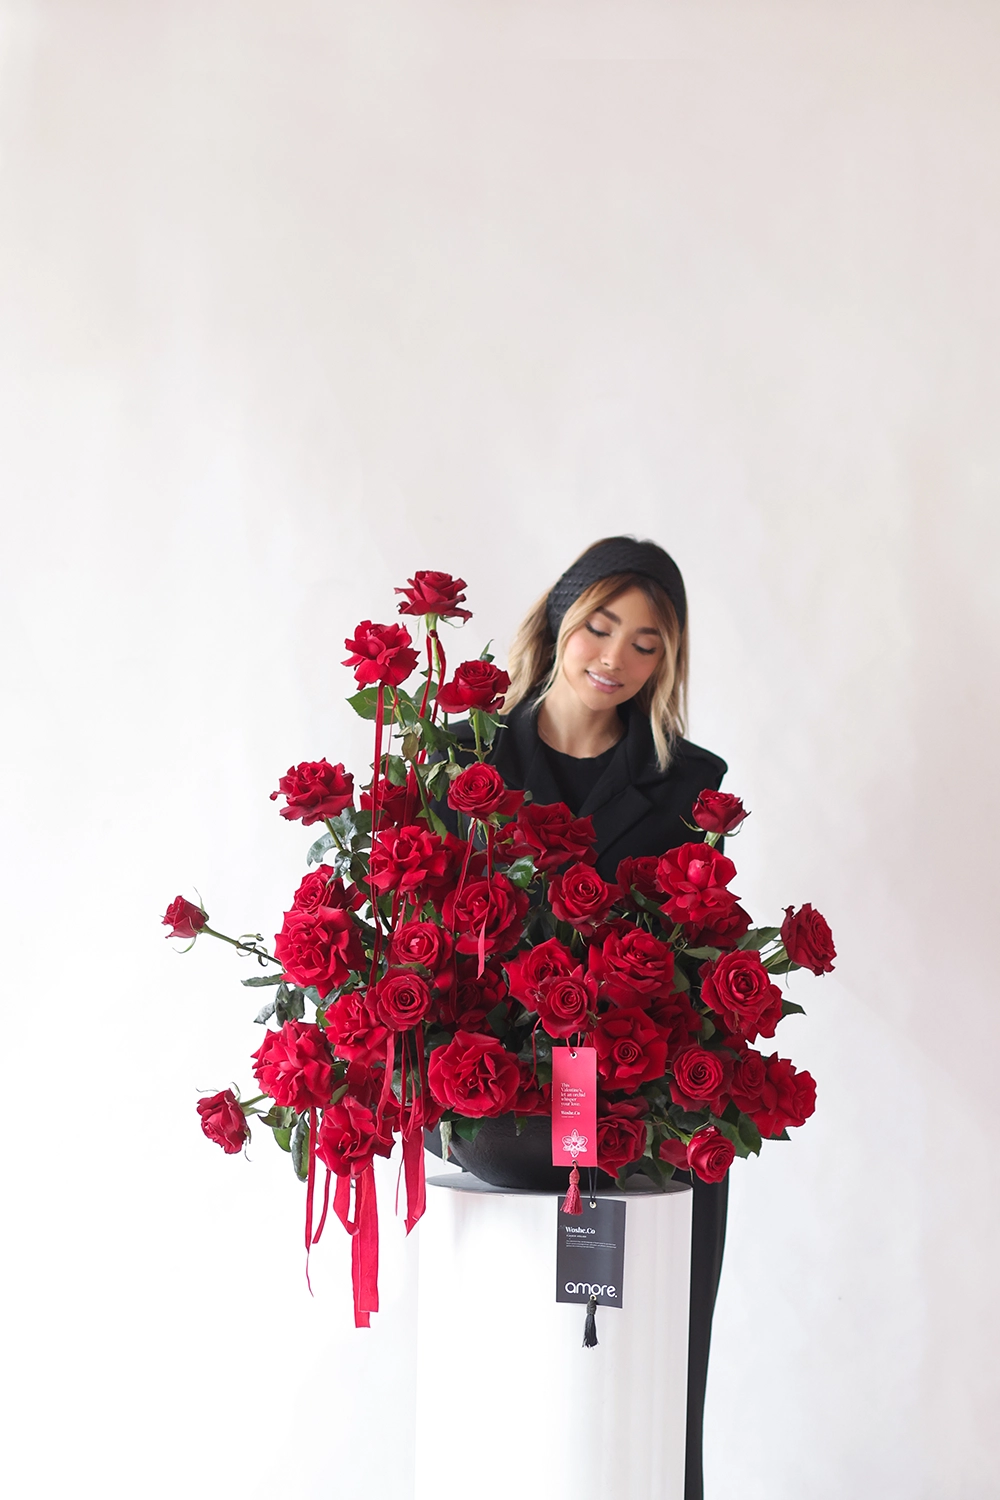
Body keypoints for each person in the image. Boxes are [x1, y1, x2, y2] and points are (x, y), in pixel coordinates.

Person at [441, 535, 728, 1500]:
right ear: (558, 618)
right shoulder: (463, 760)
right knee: (516, 1386)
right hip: (497, 1117)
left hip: (638, 1113)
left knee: (649, 1389)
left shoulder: (689, 783)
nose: (616, 658)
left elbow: (697, 949)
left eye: (648, 643)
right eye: (600, 626)